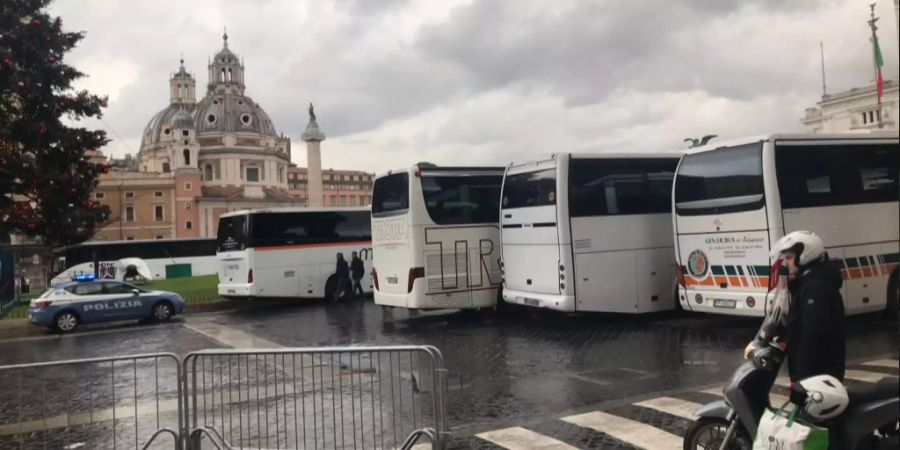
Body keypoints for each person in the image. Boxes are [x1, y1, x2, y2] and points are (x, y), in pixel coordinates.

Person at [744, 231, 846, 385]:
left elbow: (813, 336)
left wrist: (801, 381)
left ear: (805, 257)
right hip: (814, 374)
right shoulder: (807, 283)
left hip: (818, 375)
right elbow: (798, 320)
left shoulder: (816, 288)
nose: (784, 263)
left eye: (789, 258)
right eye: (784, 258)